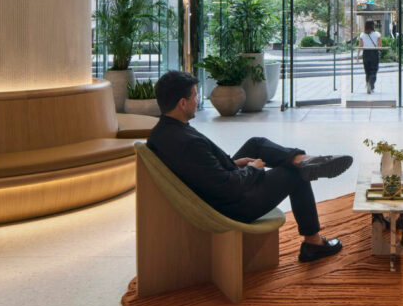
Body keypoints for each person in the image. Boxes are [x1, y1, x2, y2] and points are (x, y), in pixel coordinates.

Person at [147, 70, 353, 262]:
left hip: (215, 189)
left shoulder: (160, 134)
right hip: (233, 205)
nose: (198, 99)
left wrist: (235, 164)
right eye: (194, 96)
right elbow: (228, 187)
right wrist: (252, 169)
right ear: (182, 103)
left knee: (256, 144)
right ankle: (313, 242)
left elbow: (202, 170)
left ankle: (304, 159)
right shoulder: (189, 143)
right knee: (295, 174)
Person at [356, 18, 381, 93]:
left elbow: (360, 46)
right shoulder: (377, 34)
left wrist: (357, 56)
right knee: (373, 70)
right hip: (374, 53)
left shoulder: (362, 35)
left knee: (367, 70)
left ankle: (368, 83)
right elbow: (380, 46)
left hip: (365, 53)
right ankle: (371, 84)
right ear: (373, 25)